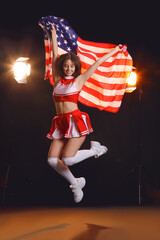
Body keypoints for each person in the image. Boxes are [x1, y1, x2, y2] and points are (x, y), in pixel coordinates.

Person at [40, 23, 122, 203]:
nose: (69, 69)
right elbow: (55, 53)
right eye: (66, 66)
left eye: (71, 66)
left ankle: (94, 150)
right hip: (61, 123)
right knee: (53, 161)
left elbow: (96, 63)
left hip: (75, 121)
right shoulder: (56, 79)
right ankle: (76, 183)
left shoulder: (78, 80)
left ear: (75, 67)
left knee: (67, 160)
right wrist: (52, 33)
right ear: (62, 66)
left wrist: (113, 52)